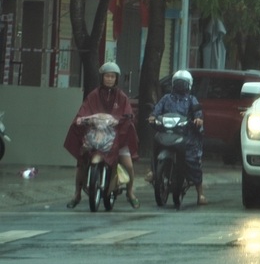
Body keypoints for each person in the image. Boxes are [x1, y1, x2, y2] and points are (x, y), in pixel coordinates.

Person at [63, 61, 141, 208]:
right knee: (81, 164)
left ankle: (130, 192)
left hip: (118, 138)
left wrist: (125, 118)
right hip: (96, 137)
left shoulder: (122, 96)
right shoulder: (93, 95)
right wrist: (81, 119)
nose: (110, 79)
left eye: (112, 76)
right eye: (107, 76)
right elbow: (84, 110)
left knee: (129, 165)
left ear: (116, 78)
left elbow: (128, 113)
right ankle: (77, 194)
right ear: (102, 77)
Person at [149, 69, 208, 205]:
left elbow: (198, 112)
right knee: (156, 143)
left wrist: (198, 119)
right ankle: (153, 171)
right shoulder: (166, 98)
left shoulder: (191, 100)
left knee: (193, 161)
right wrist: (153, 117)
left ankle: (200, 193)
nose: (181, 85)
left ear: (189, 85)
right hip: (167, 133)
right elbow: (157, 109)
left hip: (186, 136)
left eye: (184, 83)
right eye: (178, 82)